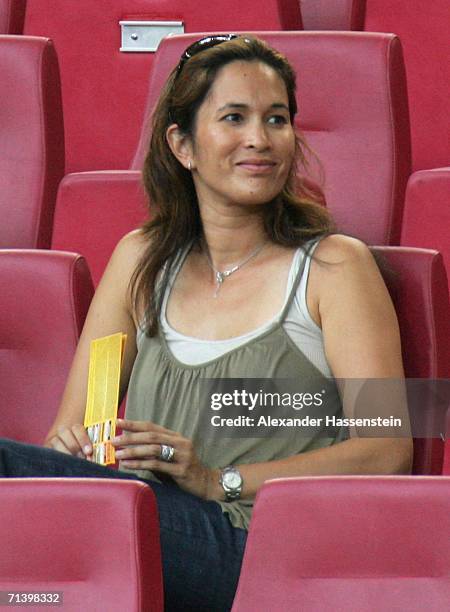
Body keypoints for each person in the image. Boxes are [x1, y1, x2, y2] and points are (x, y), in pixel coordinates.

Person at [0, 35, 412, 611]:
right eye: (234, 118)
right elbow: (78, 431)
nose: (260, 140)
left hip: (261, 544)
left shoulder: (336, 265)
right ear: (182, 144)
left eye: (278, 119)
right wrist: (78, 444)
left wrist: (219, 479)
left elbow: (388, 449)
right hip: (141, 521)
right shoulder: (139, 258)